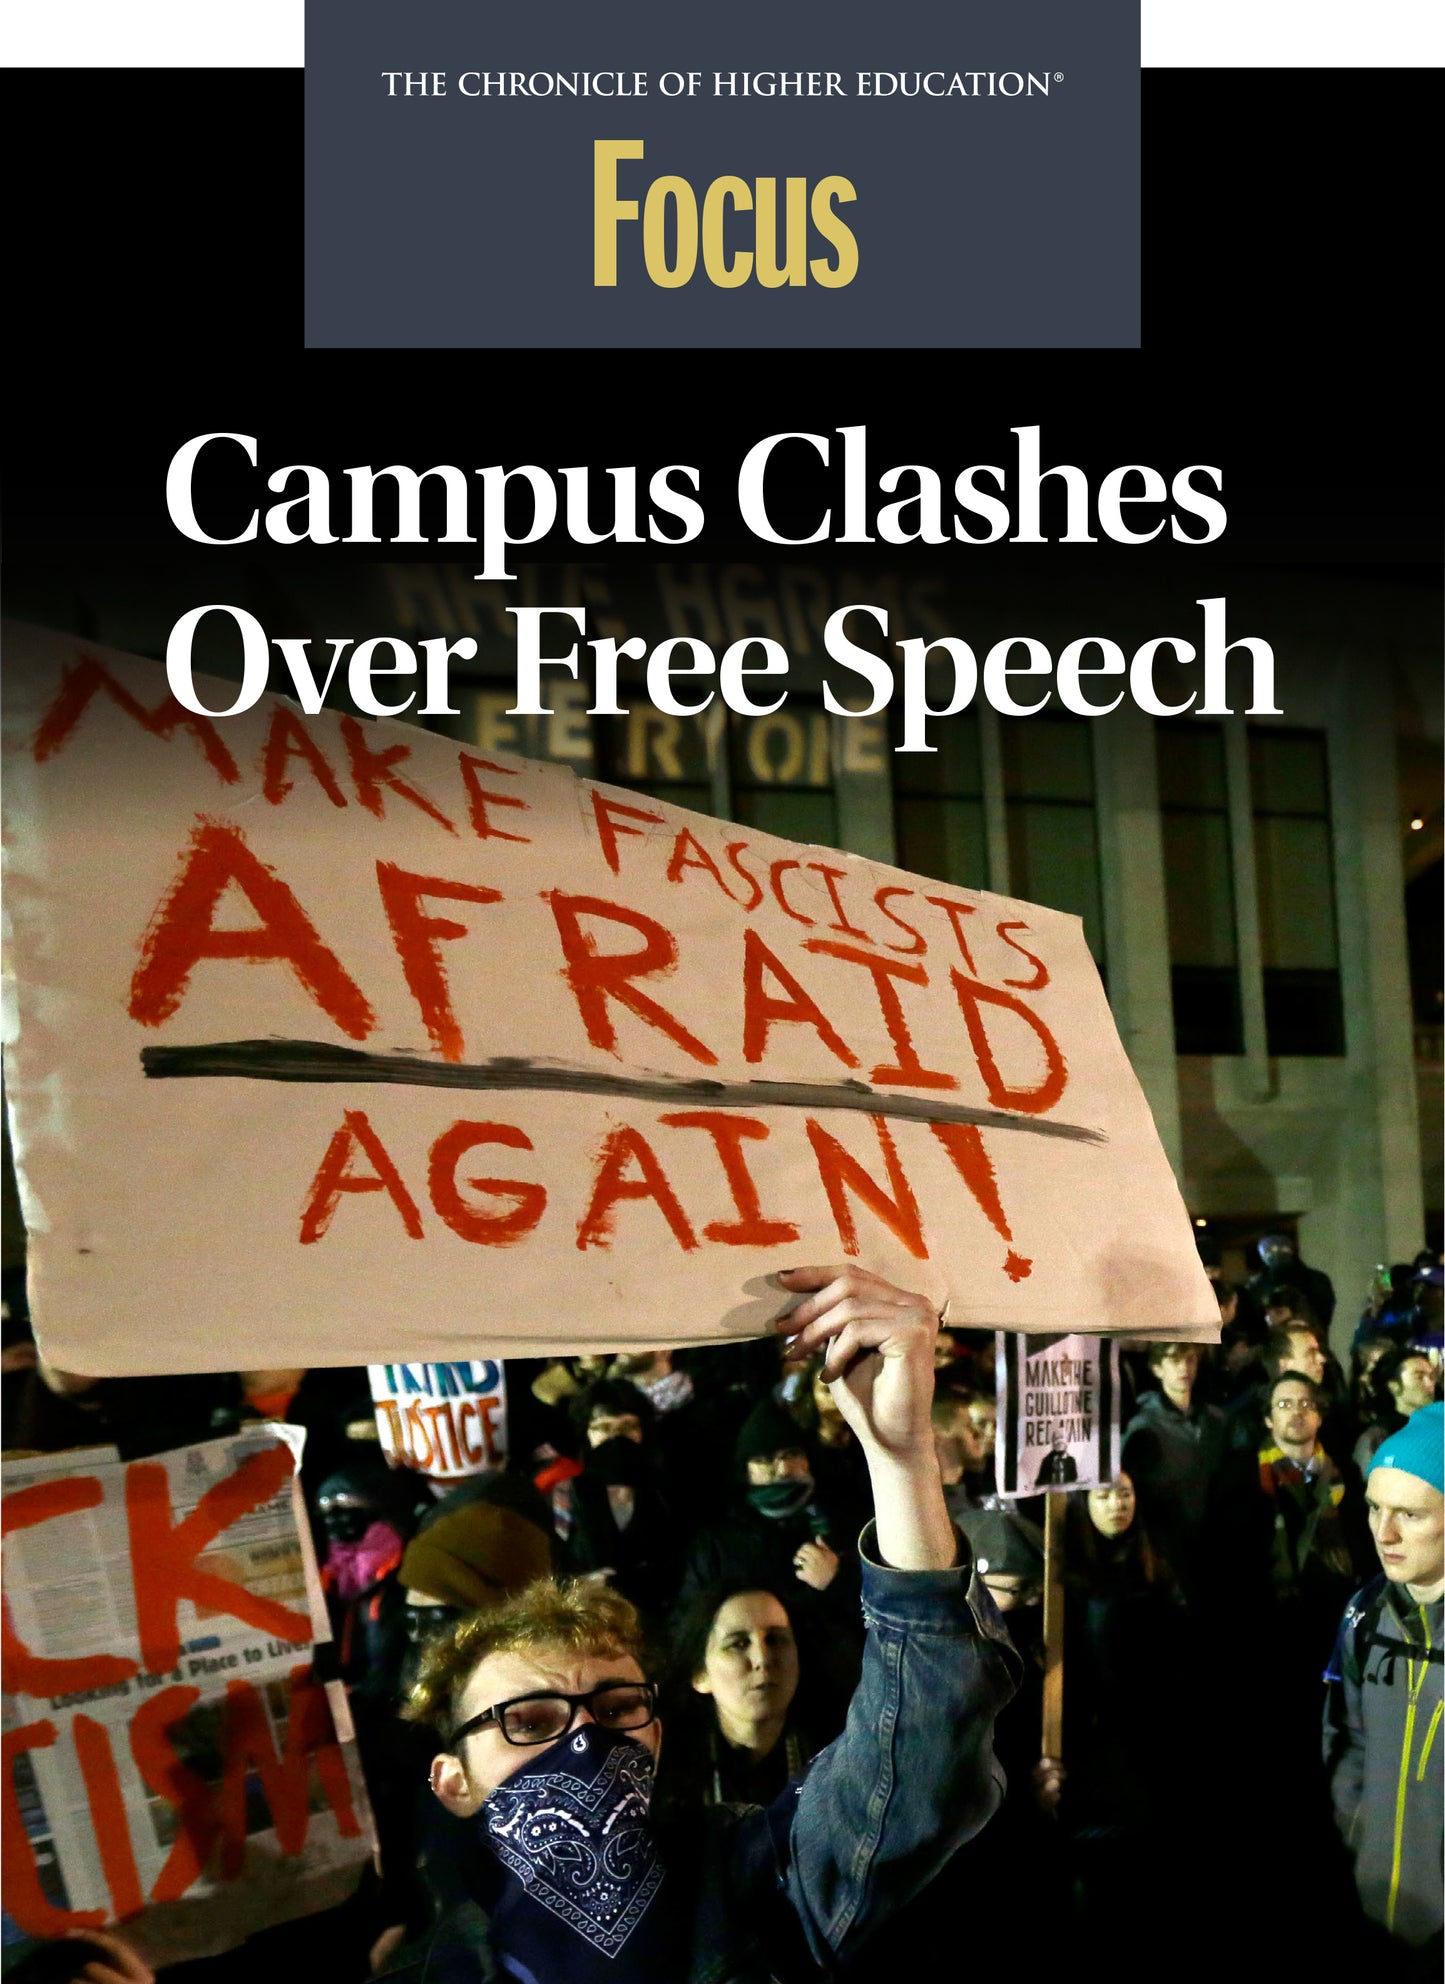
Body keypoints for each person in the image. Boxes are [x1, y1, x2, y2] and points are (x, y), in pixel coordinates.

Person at [379, 1265, 1019, 1982]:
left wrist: (901, 1460)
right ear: (452, 1781)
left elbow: (920, 1751)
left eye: (618, 1708)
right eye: (529, 1722)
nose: (587, 1744)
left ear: (656, 1729)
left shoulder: (754, 1882)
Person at [1324, 1402, 1443, 1954]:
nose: (1384, 1532)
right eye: (1375, 1509)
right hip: (1374, 1908)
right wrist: (1358, 1833)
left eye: (1411, 1514)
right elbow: (1346, 1740)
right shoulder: (1365, 1612)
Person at [666, 1581, 825, 1809]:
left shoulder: (837, 1758)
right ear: (700, 1675)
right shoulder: (670, 1777)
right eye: (739, 1644)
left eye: (775, 1640)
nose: (762, 1659)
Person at [1121, 1341, 1227, 1595]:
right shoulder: (1144, 1426)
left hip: (1212, 1539)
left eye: (1190, 1359)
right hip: (1167, 1541)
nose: (1184, 1368)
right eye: (1174, 1360)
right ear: (1158, 1368)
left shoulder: (1215, 1420)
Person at [1352, 1345, 1440, 1472]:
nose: (1430, 1384)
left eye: (1431, 1377)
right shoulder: (1377, 1438)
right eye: (1419, 1377)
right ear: (1393, 1385)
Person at [1247, 1230, 1336, 1333]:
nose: (1276, 1253)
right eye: (1270, 1250)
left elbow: (1324, 1314)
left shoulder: (1317, 1280)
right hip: (1277, 1343)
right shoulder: (1257, 1284)